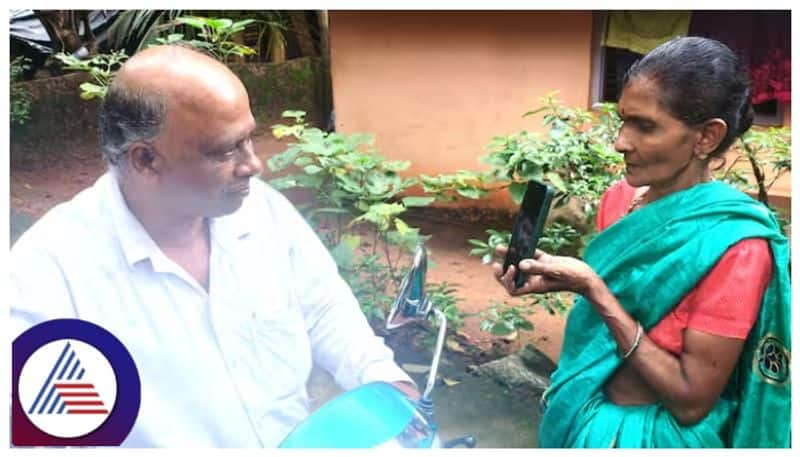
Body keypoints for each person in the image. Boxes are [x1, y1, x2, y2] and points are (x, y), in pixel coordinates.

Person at [10, 45, 418, 447]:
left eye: (249, 139)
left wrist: (383, 379)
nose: (253, 165)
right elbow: (42, 439)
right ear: (145, 160)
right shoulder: (49, 275)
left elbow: (326, 311)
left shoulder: (263, 212)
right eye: (225, 150)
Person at [494, 37, 790, 448]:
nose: (620, 142)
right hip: (585, 414)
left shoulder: (737, 247)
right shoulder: (618, 199)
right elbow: (611, 324)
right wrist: (552, 276)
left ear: (706, 137)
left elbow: (690, 401)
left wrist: (594, 289)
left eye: (645, 126)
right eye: (623, 121)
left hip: (656, 437)